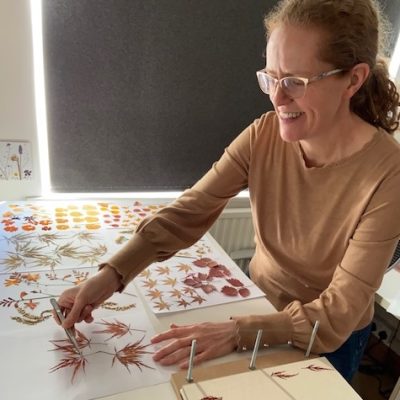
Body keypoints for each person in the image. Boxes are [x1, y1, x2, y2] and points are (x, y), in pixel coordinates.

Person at [55, 0, 400, 382]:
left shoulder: (390, 174)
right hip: (257, 302)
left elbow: (337, 315)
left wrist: (239, 332)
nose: (278, 98)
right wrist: (110, 276)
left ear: (353, 79)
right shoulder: (263, 134)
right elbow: (188, 213)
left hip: (327, 337)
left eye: (295, 83)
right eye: (272, 78)